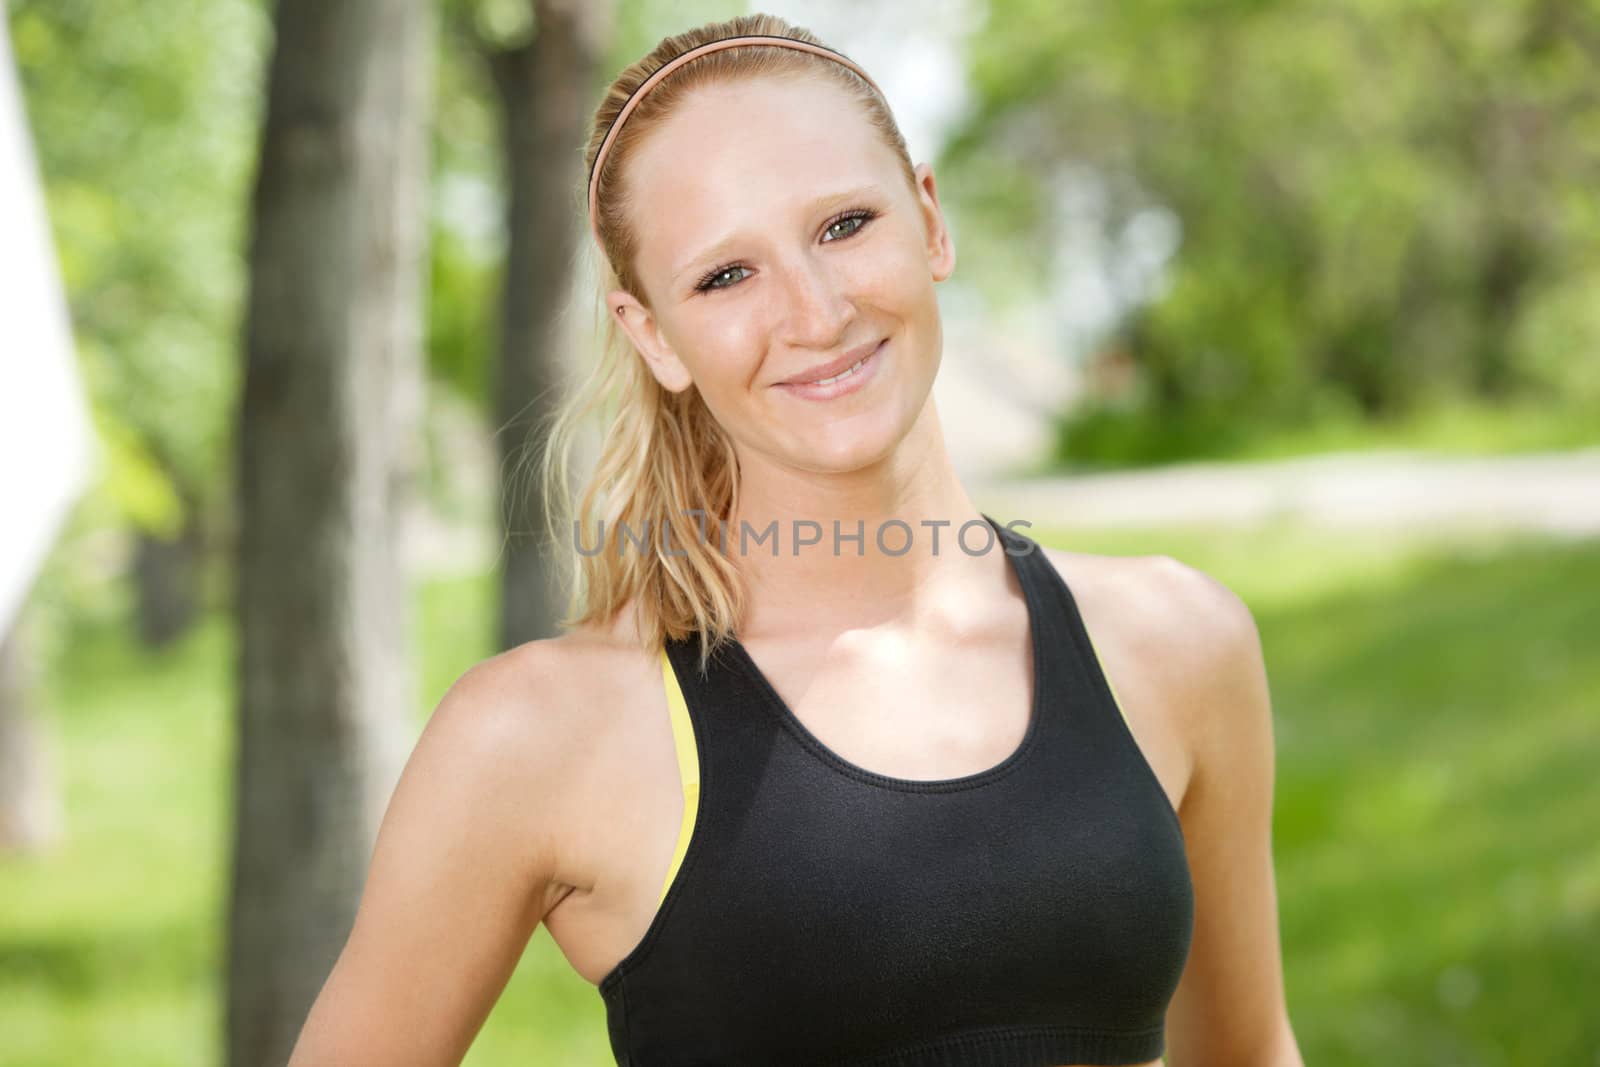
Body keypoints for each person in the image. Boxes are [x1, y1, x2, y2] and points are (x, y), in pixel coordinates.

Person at [288, 13, 1304, 1067]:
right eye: (725, 276)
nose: (815, 313)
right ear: (652, 335)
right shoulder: (540, 732)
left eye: (843, 225)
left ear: (929, 221)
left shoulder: (1179, 641)